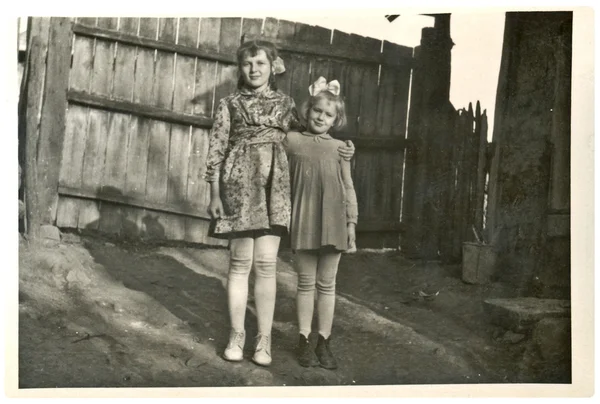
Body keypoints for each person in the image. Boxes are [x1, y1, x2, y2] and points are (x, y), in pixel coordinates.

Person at [205, 41, 354, 367]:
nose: (254, 69)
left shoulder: (286, 105)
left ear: (273, 67)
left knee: (267, 264)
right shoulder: (229, 104)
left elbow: (312, 137)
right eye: (247, 64)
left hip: (275, 191)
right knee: (240, 263)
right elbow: (216, 149)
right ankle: (236, 334)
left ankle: (264, 341)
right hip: (239, 188)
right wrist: (215, 193)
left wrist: (344, 150)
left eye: (260, 63)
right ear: (240, 68)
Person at [284, 77, 358, 369]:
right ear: (308, 110)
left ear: (336, 120)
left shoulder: (341, 148)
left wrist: (351, 223)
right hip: (303, 218)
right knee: (305, 283)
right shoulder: (291, 140)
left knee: (327, 284)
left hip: (334, 221)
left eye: (328, 114)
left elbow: (348, 186)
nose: (320, 117)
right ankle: (303, 339)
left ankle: (323, 341)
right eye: (316, 110)